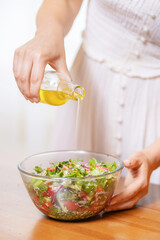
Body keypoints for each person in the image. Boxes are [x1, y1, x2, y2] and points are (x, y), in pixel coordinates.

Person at [13, 0, 160, 212]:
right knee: (66, 201)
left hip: (152, 111)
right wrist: (49, 28)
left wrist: (152, 157)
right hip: (89, 85)